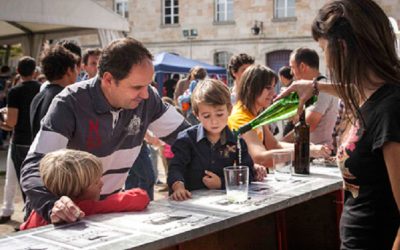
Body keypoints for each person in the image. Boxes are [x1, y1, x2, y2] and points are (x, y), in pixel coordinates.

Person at [21, 37, 189, 225]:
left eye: (148, 85)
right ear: (108, 79)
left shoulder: (148, 100)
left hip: (103, 213)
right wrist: (52, 205)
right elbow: (34, 166)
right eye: (137, 87)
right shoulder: (70, 103)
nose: (146, 94)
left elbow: (189, 139)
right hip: (61, 219)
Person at [276, 0, 400, 248]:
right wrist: (313, 86)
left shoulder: (391, 109)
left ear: (342, 49)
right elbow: (359, 90)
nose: (327, 62)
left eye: (324, 50)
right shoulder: (377, 97)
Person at [168, 79, 263, 201]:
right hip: (191, 203)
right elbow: (176, 168)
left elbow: (247, 174)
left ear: (229, 110)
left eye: (219, 114)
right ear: (197, 115)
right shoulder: (187, 139)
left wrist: (221, 183)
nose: (214, 121)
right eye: (206, 116)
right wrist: (178, 187)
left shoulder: (237, 141)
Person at [228, 64, 330, 169]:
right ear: (252, 88)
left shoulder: (256, 113)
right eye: (268, 88)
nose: (273, 93)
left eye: (273, 88)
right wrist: (305, 150)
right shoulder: (241, 118)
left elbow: (274, 145)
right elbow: (260, 159)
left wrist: (307, 147)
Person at [20, 149, 149, 230]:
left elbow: (24, 229)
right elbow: (140, 197)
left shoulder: (38, 211)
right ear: (78, 189)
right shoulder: (84, 208)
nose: (101, 183)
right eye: (96, 181)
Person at [1, 56, 41, 203]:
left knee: (23, 180)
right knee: (36, 181)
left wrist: (2, 119)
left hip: (20, 142)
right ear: (35, 71)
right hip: (37, 139)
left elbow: (11, 122)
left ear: (18, 71)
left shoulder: (15, 92)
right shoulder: (41, 88)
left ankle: (27, 217)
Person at [283, 47, 338, 146]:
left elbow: (308, 125)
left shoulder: (321, 89)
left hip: (316, 156)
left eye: (292, 67)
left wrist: (279, 143)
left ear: (303, 66)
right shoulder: (317, 87)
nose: (291, 73)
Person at [30, 45, 80, 139]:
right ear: (69, 71)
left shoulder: (37, 97)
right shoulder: (66, 98)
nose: (78, 72)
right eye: (75, 67)